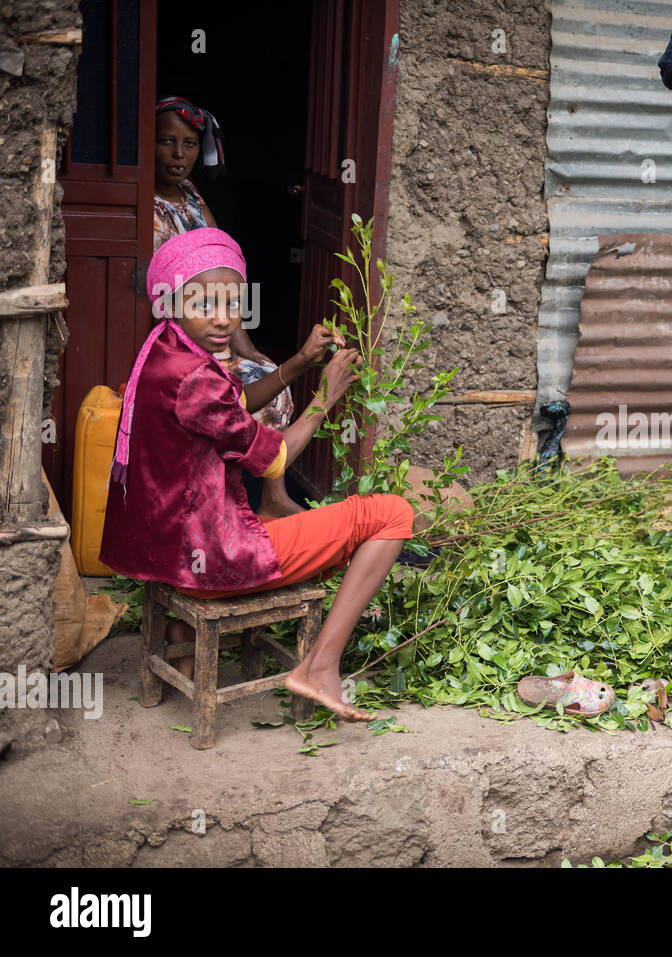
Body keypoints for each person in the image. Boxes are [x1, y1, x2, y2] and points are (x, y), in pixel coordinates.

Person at [100, 228, 414, 722]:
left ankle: (186, 639)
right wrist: (325, 395)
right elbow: (274, 460)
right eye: (205, 304)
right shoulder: (196, 376)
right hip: (212, 557)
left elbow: (231, 410)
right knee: (393, 513)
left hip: (171, 549)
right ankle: (319, 668)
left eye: (233, 303)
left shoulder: (166, 350)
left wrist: (296, 365)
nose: (224, 319)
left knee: (287, 514)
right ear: (172, 301)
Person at [153, 95, 301, 518]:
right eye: (166, 141)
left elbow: (223, 264)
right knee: (231, 394)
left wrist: (244, 343)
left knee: (270, 376)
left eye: (189, 144)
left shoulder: (191, 196)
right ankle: (214, 502)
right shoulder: (141, 202)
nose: (179, 154)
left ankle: (271, 497)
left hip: (212, 327)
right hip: (176, 338)